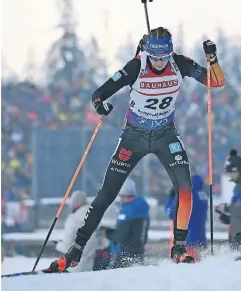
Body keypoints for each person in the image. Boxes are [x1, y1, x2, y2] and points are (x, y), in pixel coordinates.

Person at [49, 27, 225, 271]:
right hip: (134, 137)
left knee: (185, 188)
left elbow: (215, 81)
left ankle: (179, 247)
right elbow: (99, 94)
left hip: (166, 135)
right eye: (156, 57)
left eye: (164, 57)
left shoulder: (180, 63)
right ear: (149, 53)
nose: (161, 62)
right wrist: (101, 106)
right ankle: (76, 250)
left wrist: (212, 58)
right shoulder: (137, 65)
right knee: (107, 194)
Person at [164, 165, 208, 261]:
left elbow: (171, 213)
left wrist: (171, 197)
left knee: (186, 270)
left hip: (186, 239)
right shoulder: (201, 191)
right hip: (200, 238)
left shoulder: (186, 191)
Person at [55, 191, 105, 272]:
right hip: (90, 264)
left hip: (74, 266)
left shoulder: (73, 219)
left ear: (73, 204)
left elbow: (67, 244)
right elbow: (102, 241)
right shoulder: (95, 216)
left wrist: (58, 245)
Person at [107, 178, 150, 269]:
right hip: (139, 248)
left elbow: (122, 234)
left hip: (124, 251)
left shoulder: (127, 210)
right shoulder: (142, 205)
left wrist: (108, 233)